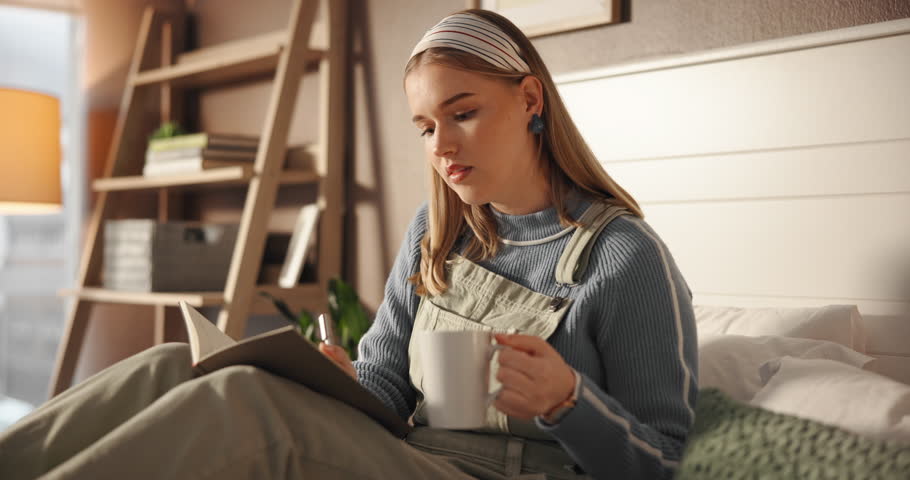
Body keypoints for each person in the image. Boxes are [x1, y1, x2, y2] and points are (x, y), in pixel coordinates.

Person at [0, 9, 696, 480]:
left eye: (464, 113)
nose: (442, 147)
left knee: (245, 402)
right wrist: (340, 378)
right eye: (426, 127)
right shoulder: (437, 234)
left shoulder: (624, 258)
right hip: (413, 452)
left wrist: (569, 398)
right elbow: (387, 386)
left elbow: (662, 461)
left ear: (530, 101)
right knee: (169, 364)